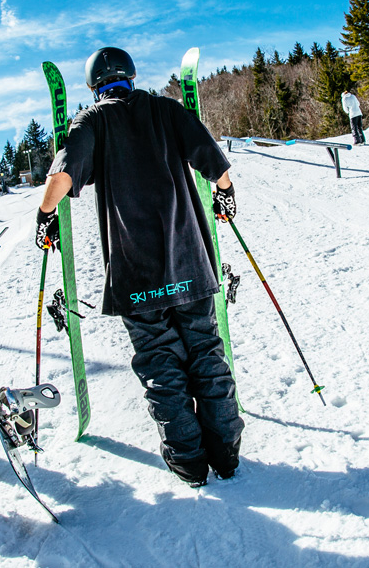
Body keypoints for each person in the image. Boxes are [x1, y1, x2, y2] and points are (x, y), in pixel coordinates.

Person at [36, 46, 244, 487]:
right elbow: (212, 160)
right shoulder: (167, 110)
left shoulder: (91, 122)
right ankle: (226, 453)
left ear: (94, 87)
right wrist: (225, 192)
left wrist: (45, 215)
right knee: (206, 353)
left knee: (160, 365)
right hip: (189, 260)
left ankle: (189, 462)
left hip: (136, 275)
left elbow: (62, 177)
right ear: (130, 76)